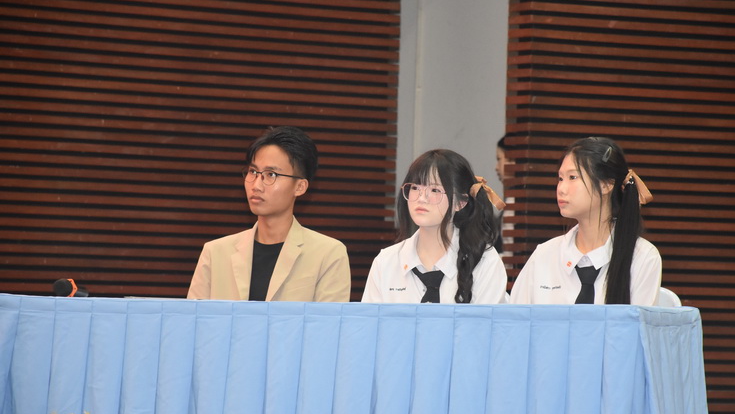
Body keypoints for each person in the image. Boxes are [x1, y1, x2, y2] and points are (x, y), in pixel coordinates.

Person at [187, 126, 351, 302]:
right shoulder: (215, 253)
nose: (256, 185)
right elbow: (194, 317)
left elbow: (328, 319)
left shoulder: (328, 254)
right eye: (253, 172)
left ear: (300, 187)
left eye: (271, 174)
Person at [509, 136, 661, 305]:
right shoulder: (544, 255)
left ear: (606, 185)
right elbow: (514, 318)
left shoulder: (642, 257)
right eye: (560, 178)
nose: (561, 189)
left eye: (572, 177)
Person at [362, 149, 507, 304]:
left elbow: (487, 319)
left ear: (460, 202)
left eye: (435, 190)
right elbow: (369, 318)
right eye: (415, 187)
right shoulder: (386, 262)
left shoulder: (485, 261)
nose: (421, 198)